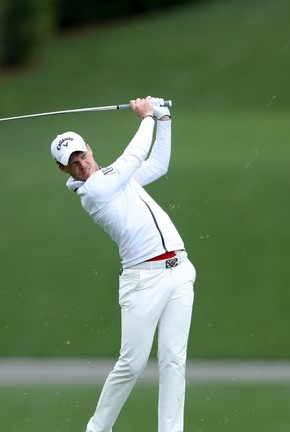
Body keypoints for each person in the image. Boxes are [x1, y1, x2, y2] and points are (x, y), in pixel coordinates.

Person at [50, 96, 196, 432]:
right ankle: (97, 429)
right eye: (72, 162)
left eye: (81, 154)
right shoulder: (95, 191)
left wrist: (164, 119)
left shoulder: (116, 179)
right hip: (143, 281)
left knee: (174, 361)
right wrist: (146, 117)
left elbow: (158, 164)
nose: (81, 164)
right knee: (132, 364)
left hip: (179, 272)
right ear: (64, 169)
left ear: (88, 147)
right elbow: (133, 158)